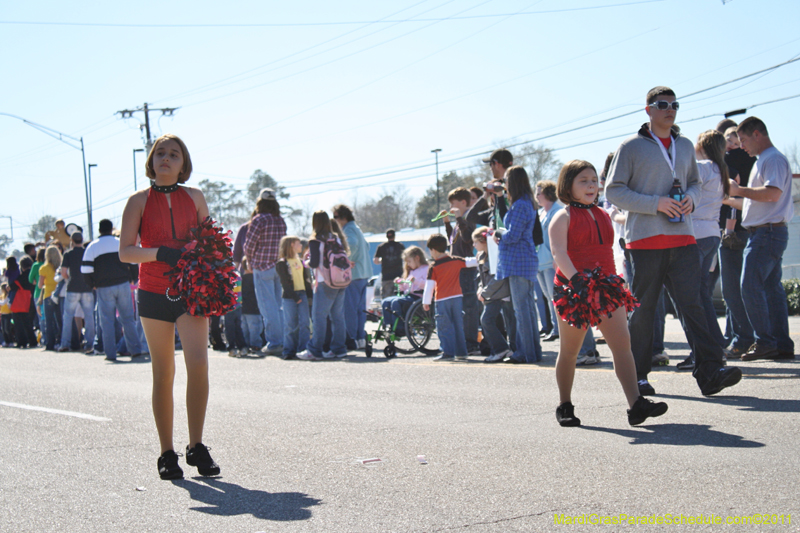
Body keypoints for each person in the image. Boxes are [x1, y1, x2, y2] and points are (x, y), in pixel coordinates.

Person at [605, 86, 741, 396]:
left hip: (683, 238)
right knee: (644, 311)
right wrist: (656, 203)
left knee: (694, 304)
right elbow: (613, 191)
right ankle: (638, 378)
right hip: (645, 241)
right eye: (662, 104)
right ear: (648, 109)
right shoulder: (632, 147)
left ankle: (710, 371)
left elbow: (694, 183)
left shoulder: (684, 145)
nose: (670, 109)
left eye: (674, 105)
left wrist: (692, 199)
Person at [119, 133, 220, 480]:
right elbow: (125, 252)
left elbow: (211, 244)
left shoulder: (196, 197)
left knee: (199, 364)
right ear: (151, 161)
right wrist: (161, 253)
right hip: (152, 291)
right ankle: (166, 452)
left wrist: (216, 276)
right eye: (160, 153)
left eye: (174, 154)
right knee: (163, 373)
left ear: (183, 164)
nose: (166, 158)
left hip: (191, 292)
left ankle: (197, 446)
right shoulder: (138, 200)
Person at [550, 160, 668, 426]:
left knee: (622, 346)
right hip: (573, 290)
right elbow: (559, 252)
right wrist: (577, 280)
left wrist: (617, 283)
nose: (591, 185)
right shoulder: (562, 216)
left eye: (594, 180)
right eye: (583, 180)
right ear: (568, 185)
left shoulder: (603, 214)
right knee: (569, 351)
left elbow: (607, 255)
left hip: (606, 289)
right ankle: (564, 405)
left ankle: (635, 404)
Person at [726, 117, 795, 361]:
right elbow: (757, 200)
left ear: (757, 134)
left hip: (766, 234)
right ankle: (780, 343)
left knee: (750, 286)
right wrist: (728, 197)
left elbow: (772, 194)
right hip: (768, 231)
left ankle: (766, 342)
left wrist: (738, 190)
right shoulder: (764, 160)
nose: (741, 145)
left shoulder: (771, 159)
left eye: (743, 140)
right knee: (770, 289)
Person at [675, 131, 730, 370]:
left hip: (695, 234)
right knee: (702, 293)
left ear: (702, 146)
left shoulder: (704, 167)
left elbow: (681, 181)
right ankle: (714, 346)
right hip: (712, 234)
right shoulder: (721, 169)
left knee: (690, 296)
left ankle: (703, 350)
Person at [493, 166, 542, 364]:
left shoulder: (521, 204)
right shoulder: (525, 202)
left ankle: (526, 353)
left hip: (519, 262)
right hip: (524, 261)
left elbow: (513, 236)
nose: (504, 184)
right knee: (527, 310)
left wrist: (498, 233)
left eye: (506, 181)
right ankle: (533, 352)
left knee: (522, 311)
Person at [81, 219, 143, 361]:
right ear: (111, 228)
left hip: (103, 287)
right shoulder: (119, 243)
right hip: (123, 284)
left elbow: (85, 269)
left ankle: (110, 354)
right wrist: (133, 278)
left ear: (99, 230)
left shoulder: (92, 247)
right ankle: (135, 350)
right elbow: (133, 262)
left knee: (107, 321)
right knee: (128, 318)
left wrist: (92, 285)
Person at [298, 211, 349, 360]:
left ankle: (315, 350)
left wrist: (305, 262)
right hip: (340, 280)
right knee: (338, 317)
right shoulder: (336, 238)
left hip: (325, 282)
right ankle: (339, 349)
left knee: (318, 317)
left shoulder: (316, 241)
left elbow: (314, 263)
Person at [244, 188, 287, 356]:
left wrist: (249, 260)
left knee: (267, 308)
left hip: (262, 267)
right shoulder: (280, 220)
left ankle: (274, 343)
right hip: (278, 267)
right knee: (278, 306)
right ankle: (283, 340)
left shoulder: (258, 220)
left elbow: (249, 245)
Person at [422, 234, 477, 361]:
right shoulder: (456, 260)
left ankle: (448, 352)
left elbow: (429, 286)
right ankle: (461, 352)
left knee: (444, 325)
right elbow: (470, 262)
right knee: (458, 325)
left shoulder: (434, 266)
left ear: (434, 250)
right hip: (457, 297)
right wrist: (482, 256)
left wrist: (426, 301)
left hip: (441, 299)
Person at [441, 187, 480, 354]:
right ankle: (464, 341)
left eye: (453, 203)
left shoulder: (468, 218)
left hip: (468, 268)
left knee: (470, 307)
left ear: (463, 203)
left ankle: (471, 343)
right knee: (463, 306)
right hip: (458, 268)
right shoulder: (460, 220)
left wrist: (458, 219)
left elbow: (467, 239)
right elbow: (453, 240)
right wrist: (447, 223)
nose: (451, 206)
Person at [473, 228, 516, 363]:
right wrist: (481, 289)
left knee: (491, 320)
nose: (473, 245)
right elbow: (481, 277)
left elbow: (499, 277)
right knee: (488, 320)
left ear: (483, 241)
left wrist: (485, 292)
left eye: (475, 242)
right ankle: (502, 349)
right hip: (491, 295)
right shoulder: (480, 256)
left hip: (500, 294)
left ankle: (503, 349)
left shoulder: (496, 254)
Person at [332, 204, 371, 350]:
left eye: (336, 217)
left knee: (349, 309)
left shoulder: (348, 229)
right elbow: (366, 246)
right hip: (363, 273)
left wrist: (346, 259)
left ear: (343, 217)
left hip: (353, 275)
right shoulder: (357, 228)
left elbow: (352, 245)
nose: (335, 220)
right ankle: (360, 338)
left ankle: (352, 339)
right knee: (360, 309)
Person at [57, 231, 95, 354]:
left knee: (68, 317)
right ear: (82, 240)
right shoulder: (87, 252)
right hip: (87, 288)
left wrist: (69, 279)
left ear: (72, 241)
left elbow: (63, 272)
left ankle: (65, 344)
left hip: (72, 288)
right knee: (89, 317)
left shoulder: (68, 254)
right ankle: (90, 344)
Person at [276, 236, 312, 360]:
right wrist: (296, 298)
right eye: (298, 243)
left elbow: (306, 280)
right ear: (291, 244)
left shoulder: (300, 261)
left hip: (302, 293)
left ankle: (303, 349)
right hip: (290, 297)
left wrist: (309, 295)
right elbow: (285, 283)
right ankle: (289, 350)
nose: (301, 246)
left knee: (305, 323)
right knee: (290, 325)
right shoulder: (282, 263)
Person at [535, 180, 562, 341]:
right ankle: (554, 328)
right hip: (540, 262)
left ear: (547, 193)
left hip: (552, 262)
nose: (536, 196)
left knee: (556, 297)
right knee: (548, 297)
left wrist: (557, 258)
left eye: (539, 193)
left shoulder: (558, 211)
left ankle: (559, 330)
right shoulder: (540, 213)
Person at [380, 246, 428, 336]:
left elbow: (428, 285)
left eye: (409, 261)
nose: (408, 264)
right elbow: (406, 288)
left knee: (396, 302)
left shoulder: (426, 269)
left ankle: (400, 328)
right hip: (409, 296)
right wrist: (400, 283)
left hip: (419, 297)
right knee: (385, 301)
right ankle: (388, 326)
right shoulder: (413, 271)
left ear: (417, 258)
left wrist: (415, 281)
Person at [38, 245, 62, 351]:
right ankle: (60, 341)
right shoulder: (60, 266)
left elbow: (40, 285)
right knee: (59, 320)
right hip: (59, 295)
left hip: (48, 295)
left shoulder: (44, 268)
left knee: (49, 321)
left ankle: (50, 344)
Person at [11, 256, 37, 348]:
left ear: (22, 266)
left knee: (19, 322)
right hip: (34, 299)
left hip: (22, 302)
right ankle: (33, 341)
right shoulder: (34, 273)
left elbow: (13, 285)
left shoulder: (21, 276)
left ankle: (22, 341)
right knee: (29, 322)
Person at [373, 229, 405, 301]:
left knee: (386, 299)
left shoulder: (381, 247)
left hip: (386, 277)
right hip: (398, 276)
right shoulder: (400, 246)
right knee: (398, 298)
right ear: (394, 236)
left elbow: (376, 260)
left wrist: (383, 261)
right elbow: (406, 258)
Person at [239, 258, 263, 354]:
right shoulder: (255, 279)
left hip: (242, 308)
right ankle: (255, 345)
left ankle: (245, 345)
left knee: (244, 328)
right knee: (255, 328)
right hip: (253, 308)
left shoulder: (240, 279)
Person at [223, 271, 247, 358]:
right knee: (238, 328)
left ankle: (232, 348)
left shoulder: (226, 276)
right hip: (238, 305)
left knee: (229, 328)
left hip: (229, 306)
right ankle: (243, 347)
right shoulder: (238, 275)